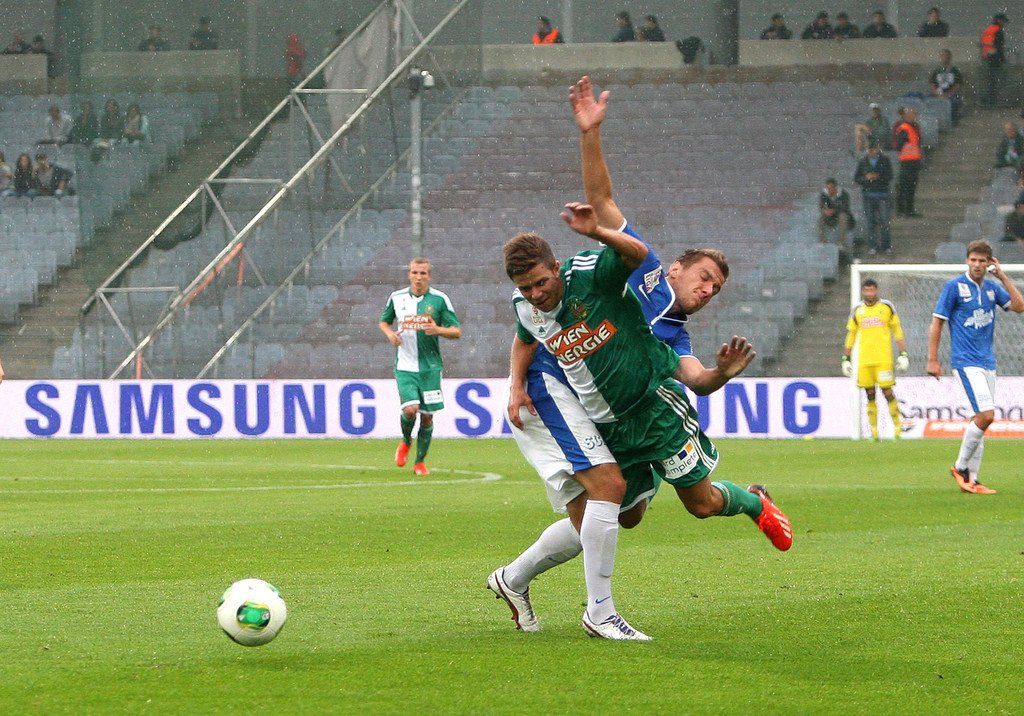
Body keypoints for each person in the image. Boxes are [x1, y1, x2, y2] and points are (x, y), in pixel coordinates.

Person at [491, 77, 791, 640]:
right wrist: (590, 135)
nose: (707, 290)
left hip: (649, 411)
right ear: (676, 266)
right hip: (595, 412)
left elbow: (696, 379)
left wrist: (722, 374)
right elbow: (602, 204)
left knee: (681, 507)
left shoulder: (672, 330)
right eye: (704, 277)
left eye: (716, 289)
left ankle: (753, 503)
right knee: (614, 509)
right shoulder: (639, 274)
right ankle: (565, 598)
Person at [927, 240, 1024, 493]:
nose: (977, 265)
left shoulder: (992, 288)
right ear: (967, 260)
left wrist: (1002, 276)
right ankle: (960, 468)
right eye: (973, 260)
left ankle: (972, 480)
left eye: (982, 261)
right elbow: (937, 322)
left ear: (989, 262)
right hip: (966, 362)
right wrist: (932, 359)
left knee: (979, 420)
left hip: (987, 362)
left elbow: (1019, 306)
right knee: (986, 416)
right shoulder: (954, 287)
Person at [378, 258, 461, 477]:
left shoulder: (440, 300)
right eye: (414, 272)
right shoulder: (397, 298)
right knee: (410, 409)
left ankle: (420, 462)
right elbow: (384, 322)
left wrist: (438, 330)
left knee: (427, 417)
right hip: (405, 365)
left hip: (430, 368)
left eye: (423, 273)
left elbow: (456, 331)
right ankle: (406, 441)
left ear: (429, 276)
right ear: (409, 274)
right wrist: (390, 334)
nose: (418, 277)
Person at [842, 279, 908, 441]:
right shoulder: (858, 310)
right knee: (869, 394)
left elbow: (897, 331)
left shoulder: (886, 307)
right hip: (865, 361)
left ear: (877, 290)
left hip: (883, 359)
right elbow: (851, 335)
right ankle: (874, 432)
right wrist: (846, 358)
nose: (869, 293)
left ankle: (897, 428)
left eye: (872, 290)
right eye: (867, 290)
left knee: (887, 392)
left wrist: (903, 354)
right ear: (863, 291)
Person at [854, 142, 894, 254]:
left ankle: (886, 246)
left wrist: (878, 177)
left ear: (878, 149)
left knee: (884, 222)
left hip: (882, 195)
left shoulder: (885, 161)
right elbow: (857, 178)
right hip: (868, 195)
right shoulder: (863, 162)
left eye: (873, 149)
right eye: (869, 149)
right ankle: (873, 246)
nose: (871, 152)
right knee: (870, 222)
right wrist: (866, 178)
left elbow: (889, 176)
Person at [894, 107, 923, 217]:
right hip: (907, 162)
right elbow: (899, 145)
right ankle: (902, 210)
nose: (914, 117)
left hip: (914, 161)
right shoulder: (904, 128)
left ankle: (908, 210)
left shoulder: (913, 127)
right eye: (912, 115)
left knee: (910, 187)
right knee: (905, 187)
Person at [818, 179, 854, 253]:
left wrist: (834, 210)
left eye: (830, 188)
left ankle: (841, 242)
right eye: (827, 188)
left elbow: (845, 208)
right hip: (830, 217)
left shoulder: (843, 194)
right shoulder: (824, 194)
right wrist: (825, 211)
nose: (829, 190)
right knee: (820, 219)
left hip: (843, 216)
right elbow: (821, 206)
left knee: (843, 217)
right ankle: (822, 241)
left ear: (835, 187)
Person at [980, 14, 1008, 108]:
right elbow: (996, 47)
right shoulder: (997, 30)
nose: (1004, 23)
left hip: (988, 59)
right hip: (994, 60)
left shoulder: (990, 29)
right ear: (999, 20)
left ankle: (989, 101)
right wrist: (1000, 58)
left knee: (990, 81)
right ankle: (991, 101)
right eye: (1003, 21)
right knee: (994, 82)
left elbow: (985, 44)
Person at [930, 49, 964, 126]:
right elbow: (932, 84)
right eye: (942, 56)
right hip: (938, 94)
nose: (944, 58)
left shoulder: (955, 71)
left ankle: (952, 122)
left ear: (950, 57)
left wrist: (948, 94)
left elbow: (957, 85)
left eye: (946, 56)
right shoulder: (937, 71)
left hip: (951, 95)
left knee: (953, 102)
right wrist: (937, 93)